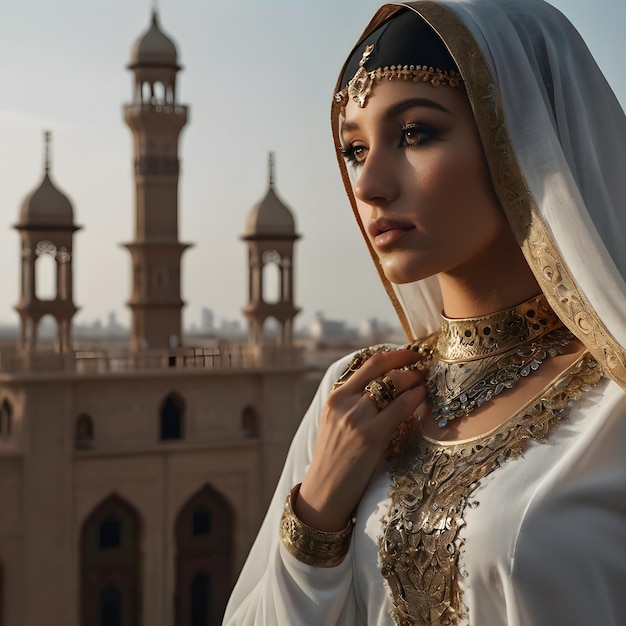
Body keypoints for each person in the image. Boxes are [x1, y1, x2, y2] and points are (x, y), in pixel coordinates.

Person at [224, 0, 626, 624]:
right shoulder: (358, 397)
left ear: (521, 137)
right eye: (354, 150)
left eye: (414, 133)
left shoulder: (612, 405)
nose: (368, 184)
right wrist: (318, 514)